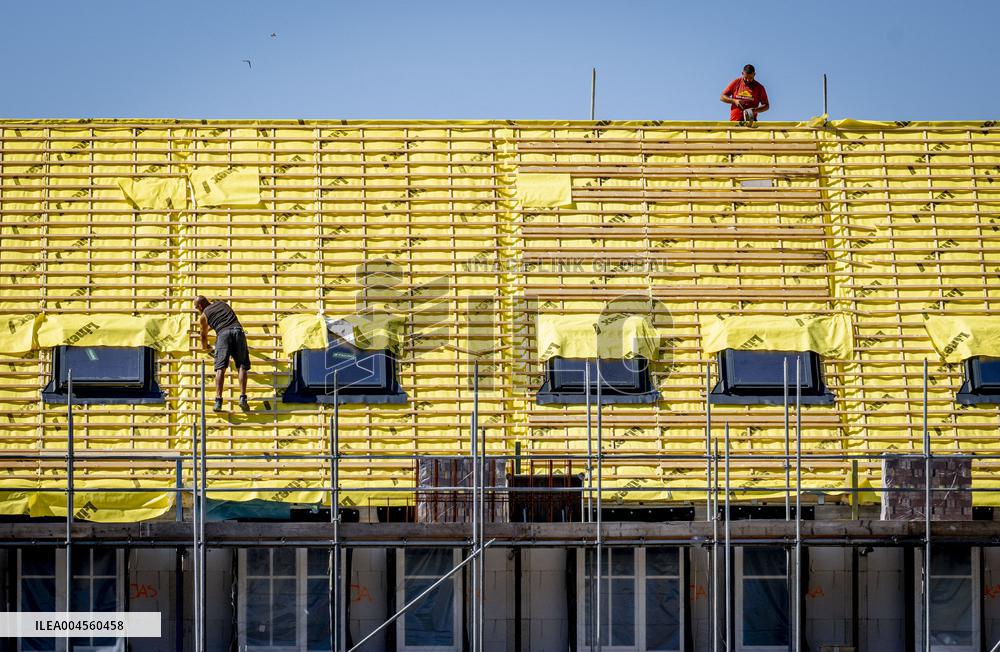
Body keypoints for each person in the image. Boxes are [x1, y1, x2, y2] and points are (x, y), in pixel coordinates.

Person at [194, 296, 250, 411]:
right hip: (238, 331)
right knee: (242, 366)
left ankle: (218, 401)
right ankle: (243, 398)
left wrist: (205, 347)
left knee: (220, 368)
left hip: (223, 335)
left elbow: (203, 335)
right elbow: (223, 320)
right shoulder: (222, 304)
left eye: (196, 308)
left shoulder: (204, 315)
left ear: (200, 306)